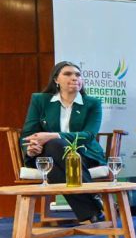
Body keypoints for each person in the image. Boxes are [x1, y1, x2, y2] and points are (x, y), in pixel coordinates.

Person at [21, 61, 105, 223]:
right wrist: (31, 149)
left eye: (78, 74)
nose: (74, 78)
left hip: (84, 154)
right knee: (55, 147)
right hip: (47, 153)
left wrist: (52, 136)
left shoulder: (93, 103)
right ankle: (94, 201)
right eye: (67, 74)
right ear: (56, 80)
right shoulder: (40, 100)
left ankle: (90, 212)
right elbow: (28, 133)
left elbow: (88, 135)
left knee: (55, 151)